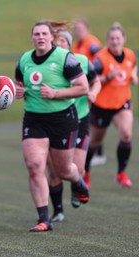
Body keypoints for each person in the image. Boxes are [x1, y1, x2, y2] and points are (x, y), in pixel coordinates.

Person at [14, 20, 90, 232]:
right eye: (36, 33)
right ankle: (44, 219)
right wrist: (17, 91)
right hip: (34, 119)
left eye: (43, 33)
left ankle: (78, 182)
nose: (40, 37)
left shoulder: (65, 58)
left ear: (51, 37)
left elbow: (83, 87)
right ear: (32, 37)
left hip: (62, 118)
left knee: (63, 170)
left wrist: (56, 93)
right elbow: (19, 84)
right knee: (34, 166)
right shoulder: (24, 59)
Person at [47, 29, 101, 222]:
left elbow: (96, 81)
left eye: (63, 41)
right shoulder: (48, 64)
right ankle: (58, 211)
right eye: (57, 41)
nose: (60, 44)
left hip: (80, 119)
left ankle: (76, 187)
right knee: (53, 169)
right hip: (55, 121)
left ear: (70, 45)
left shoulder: (83, 62)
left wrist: (93, 91)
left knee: (77, 169)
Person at [84, 22, 138, 188]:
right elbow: (90, 78)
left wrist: (134, 76)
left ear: (124, 39)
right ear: (107, 40)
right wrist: (108, 77)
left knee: (127, 134)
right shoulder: (101, 59)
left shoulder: (129, 55)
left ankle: (121, 173)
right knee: (95, 141)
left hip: (122, 103)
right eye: (112, 38)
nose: (115, 41)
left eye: (118, 38)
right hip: (102, 106)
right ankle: (85, 173)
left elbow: (133, 66)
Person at [72, 18, 106, 167]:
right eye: (76, 29)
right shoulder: (76, 45)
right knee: (90, 119)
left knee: (94, 121)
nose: (78, 31)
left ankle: (99, 153)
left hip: (93, 86)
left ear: (87, 29)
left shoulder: (92, 44)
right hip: (82, 87)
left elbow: (102, 60)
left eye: (80, 28)